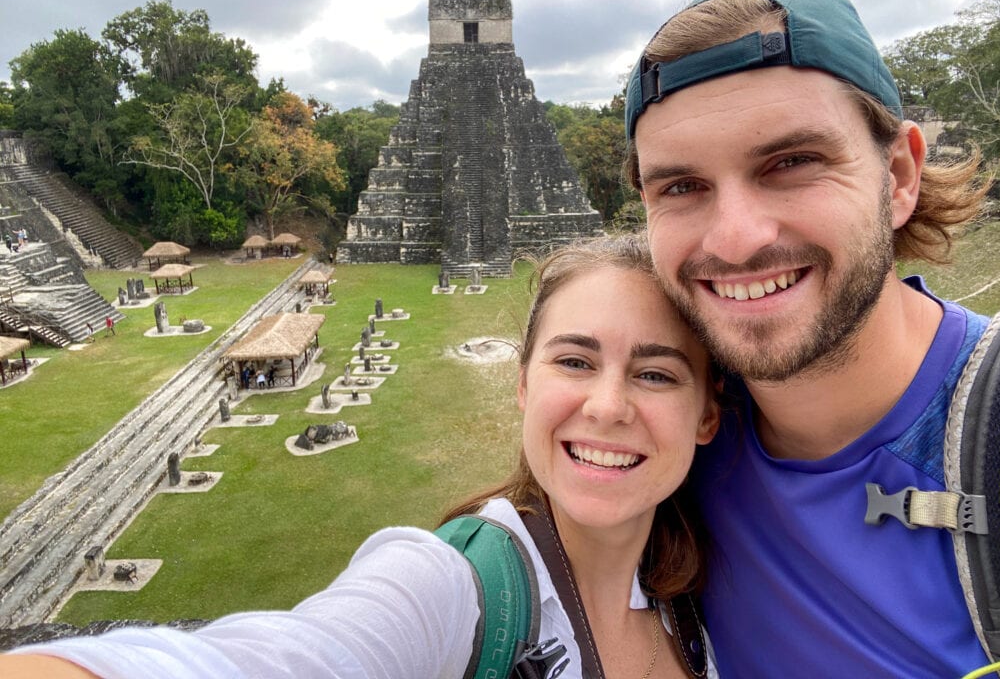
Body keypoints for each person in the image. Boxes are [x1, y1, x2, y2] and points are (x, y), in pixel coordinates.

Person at [1, 234, 721, 678]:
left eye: (656, 373)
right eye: (574, 361)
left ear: (708, 413)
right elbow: (306, 656)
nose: (606, 406)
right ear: (523, 383)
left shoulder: (703, 604)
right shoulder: (454, 589)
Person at [624, 0, 992, 678]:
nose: (734, 241)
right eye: (680, 187)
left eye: (792, 163)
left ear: (901, 175)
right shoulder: (667, 424)